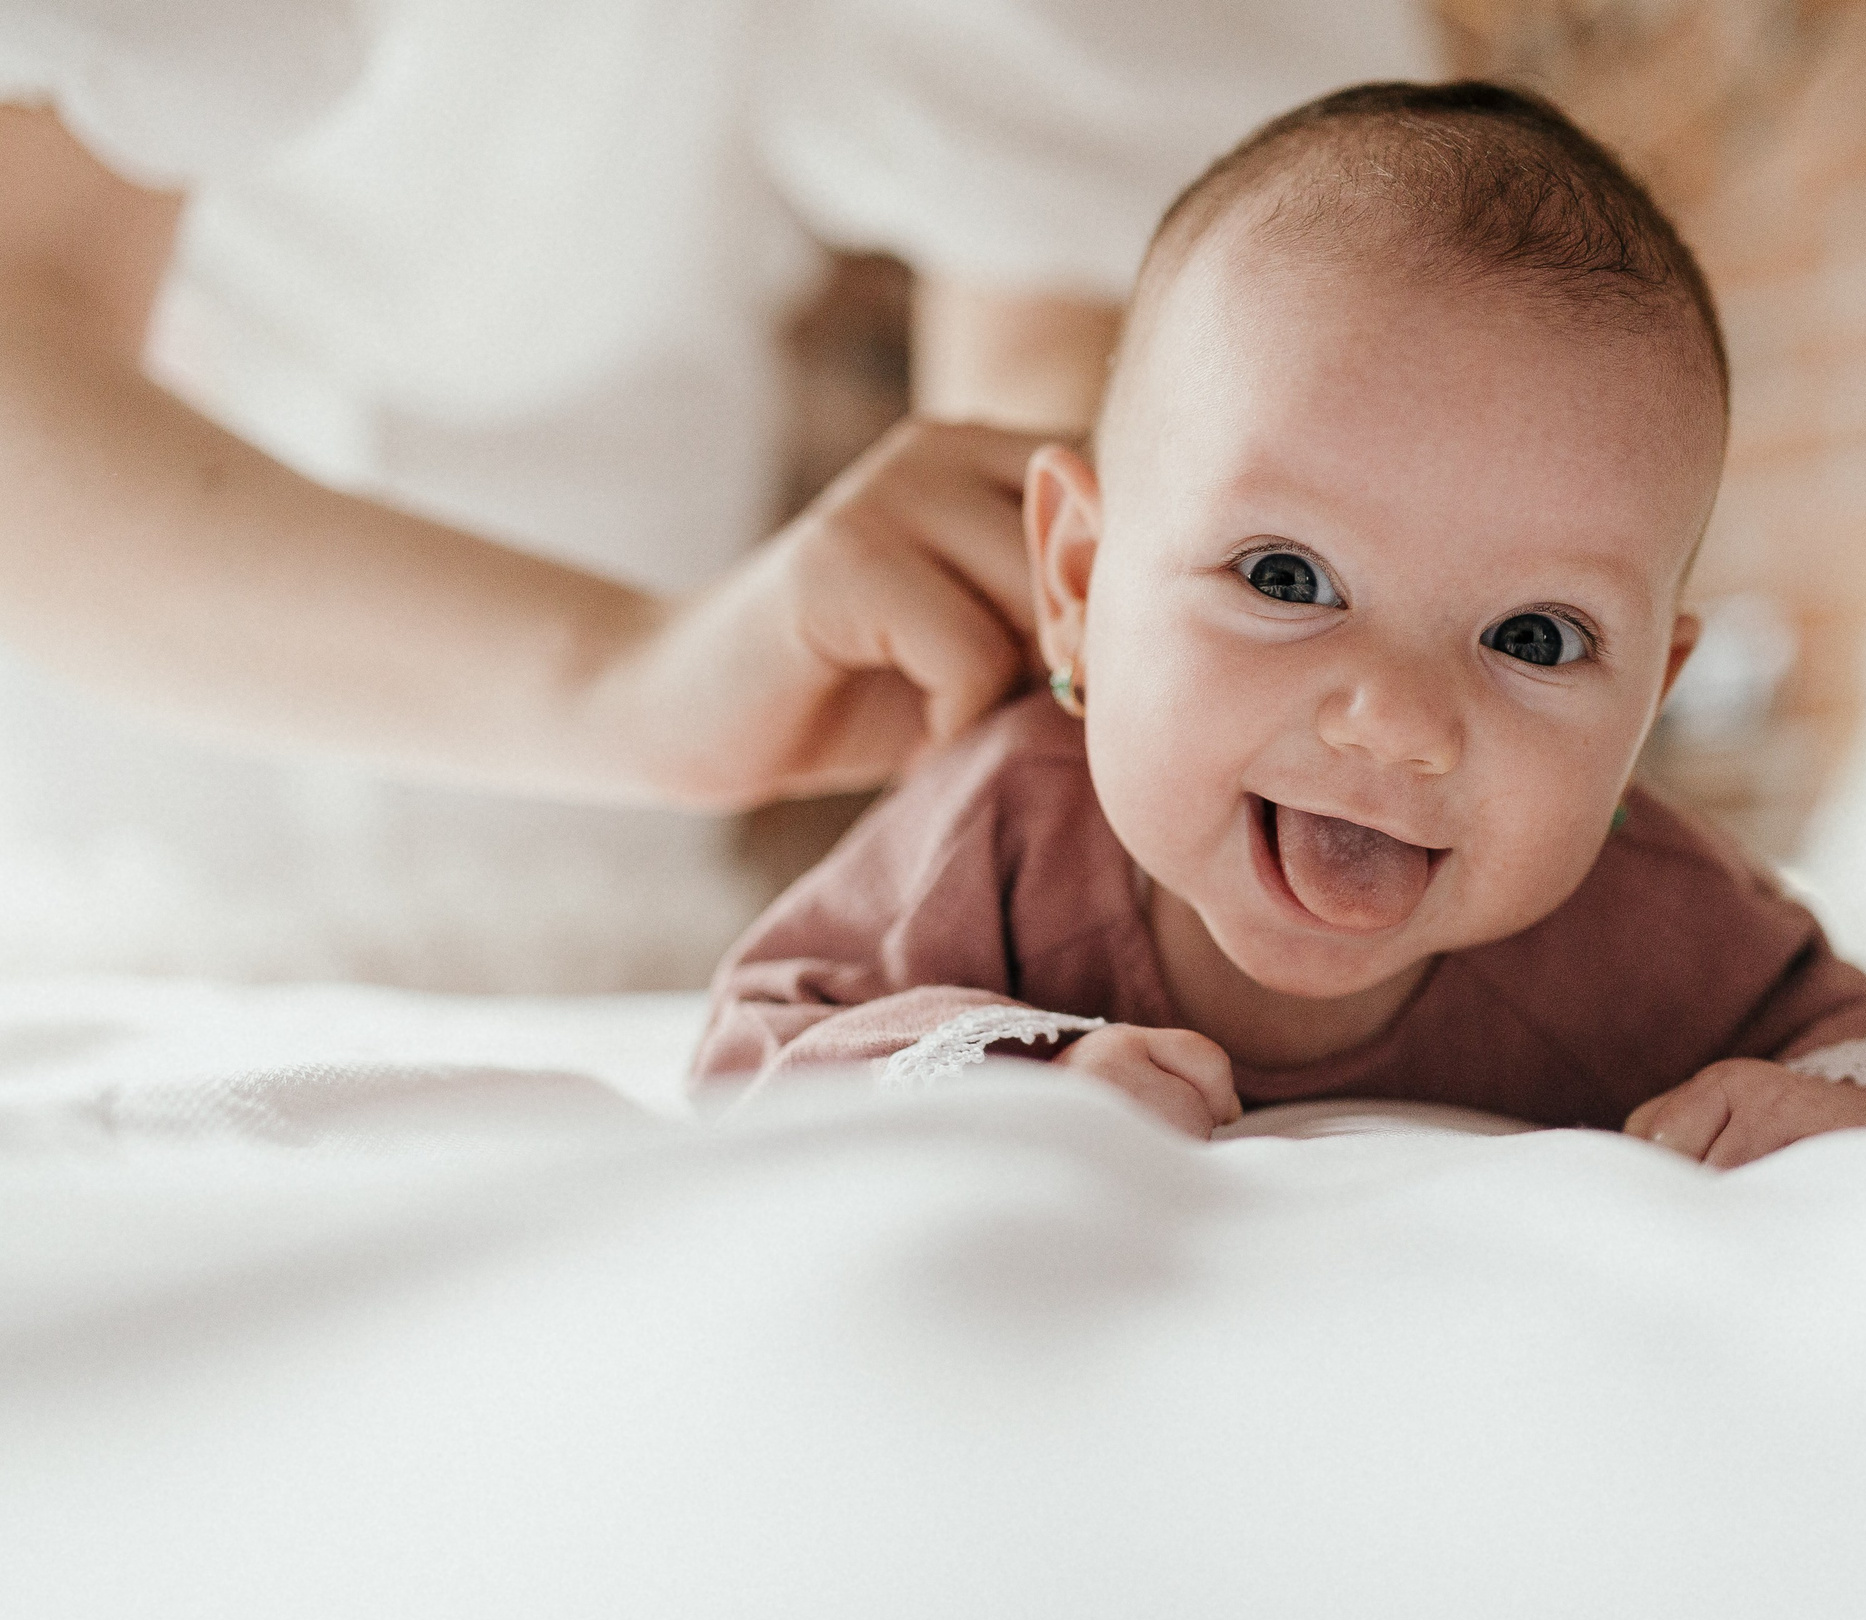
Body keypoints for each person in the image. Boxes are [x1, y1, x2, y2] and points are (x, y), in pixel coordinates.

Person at [693, 83, 1866, 1164]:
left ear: (1648, 705)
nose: (1398, 719)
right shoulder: (998, 828)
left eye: (1537, 639)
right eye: (1284, 578)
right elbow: (754, 1041)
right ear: (1082, 585)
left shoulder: (1655, 922)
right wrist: (1014, 1071)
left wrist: (1861, 1113)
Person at [0, 0, 1433, 986]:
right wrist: (636, 684)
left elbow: (1082, 308)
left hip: (617, 875)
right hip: (91, 730)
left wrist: (1070, 724)